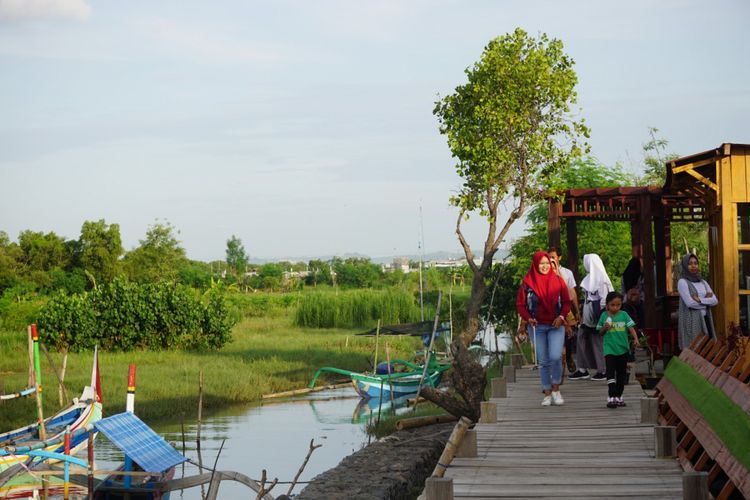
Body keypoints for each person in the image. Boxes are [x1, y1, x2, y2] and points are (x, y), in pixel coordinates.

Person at [516, 251, 571, 406]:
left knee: (555, 356)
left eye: (547, 263)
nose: (545, 266)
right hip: (537, 326)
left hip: (556, 325)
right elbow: (520, 305)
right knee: (543, 360)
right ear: (535, 264)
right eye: (541, 263)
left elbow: (566, 302)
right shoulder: (527, 282)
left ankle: (556, 389)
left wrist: (561, 317)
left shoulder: (559, 281)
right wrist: (528, 318)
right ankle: (547, 393)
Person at [569, 253, 613, 381]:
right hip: (588, 313)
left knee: (597, 341)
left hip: (597, 313)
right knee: (582, 338)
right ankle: (582, 368)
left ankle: (602, 370)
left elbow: (605, 299)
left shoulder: (602, 280)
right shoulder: (589, 278)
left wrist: (602, 316)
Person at [597, 291, 640, 408]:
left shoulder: (624, 315)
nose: (615, 308)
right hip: (609, 349)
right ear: (607, 305)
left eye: (618, 305)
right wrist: (605, 328)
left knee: (621, 374)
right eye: (612, 305)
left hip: (623, 349)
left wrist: (635, 339)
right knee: (610, 372)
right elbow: (599, 333)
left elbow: (631, 328)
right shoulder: (604, 316)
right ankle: (611, 396)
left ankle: (619, 396)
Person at [548, 247, 580, 373]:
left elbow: (572, 291)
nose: (551, 260)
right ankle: (557, 361)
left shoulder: (567, 273)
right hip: (551, 308)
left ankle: (569, 356)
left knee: (569, 333)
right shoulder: (544, 272)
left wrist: (577, 309)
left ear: (559, 258)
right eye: (549, 257)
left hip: (565, 307)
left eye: (553, 257)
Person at [677, 253, 718, 349]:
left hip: (706, 319)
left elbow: (715, 301)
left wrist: (699, 299)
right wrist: (707, 301)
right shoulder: (682, 282)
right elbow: (690, 303)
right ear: (685, 265)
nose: (693, 266)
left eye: (695, 263)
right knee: (695, 349)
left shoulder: (703, 282)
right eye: (690, 263)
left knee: (708, 349)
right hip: (692, 322)